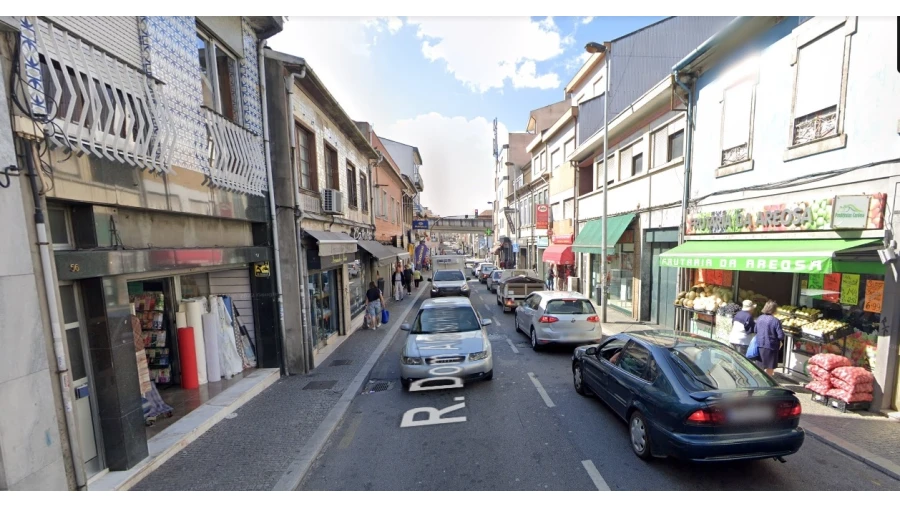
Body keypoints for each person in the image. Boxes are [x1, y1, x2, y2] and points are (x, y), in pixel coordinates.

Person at [755, 300, 786, 376]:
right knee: (770, 366)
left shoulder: (759, 318)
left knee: (760, 365)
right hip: (771, 346)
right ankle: (769, 381)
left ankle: (760, 380)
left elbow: (755, 330)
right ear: (774, 310)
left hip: (760, 344)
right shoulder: (775, 321)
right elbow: (780, 336)